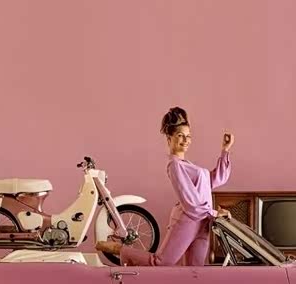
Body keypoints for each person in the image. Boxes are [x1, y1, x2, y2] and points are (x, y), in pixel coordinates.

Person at [95, 106, 234, 266]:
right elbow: (191, 203)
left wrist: (225, 150)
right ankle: (120, 250)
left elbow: (216, 180)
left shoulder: (189, 165)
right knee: (161, 262)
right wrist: (215, 213)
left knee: (195, 271)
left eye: (188, 136)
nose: (186, 140)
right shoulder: (175, 165)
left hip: (203, 222)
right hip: (189, 221)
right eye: (180, 136)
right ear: (169, 139)